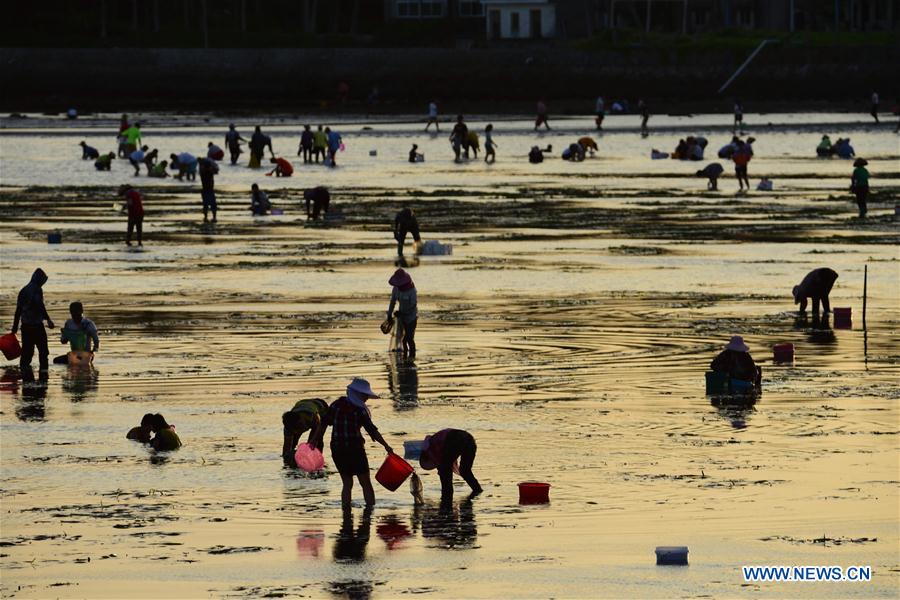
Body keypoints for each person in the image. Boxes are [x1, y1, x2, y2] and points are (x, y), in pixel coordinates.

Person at [311, 378, 394, 509]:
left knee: (347, 484)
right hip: (355, 450)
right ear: (358, 394)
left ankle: (346, 511)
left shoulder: (336, 405)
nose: (366, 398)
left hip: (338, 450)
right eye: (365, 395)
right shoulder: (359, 410)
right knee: (365, 483)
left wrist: (314, 440)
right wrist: (386, 445)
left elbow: (323, 424)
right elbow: (372, 430)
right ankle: (370, 511)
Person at [419, 429, 482, 501]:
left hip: (453, 438)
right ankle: (477, 490)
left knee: (445, 472)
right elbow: (443, 460)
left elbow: (442, 463)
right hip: (469, 438)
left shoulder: (430, 449)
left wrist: (442, 469)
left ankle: (447, 496)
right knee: (465, 470)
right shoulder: (433, 443)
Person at [12, 269, 54, 370]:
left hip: (26, 327)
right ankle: (43, 373)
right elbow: (40, 305)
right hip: (37, 327)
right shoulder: (37, 289)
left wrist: (15, 327)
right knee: (43, 352)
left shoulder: (23, 290)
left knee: (27, 353)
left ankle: (24, 373)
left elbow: (18, 310)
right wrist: (48, 319)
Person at [281, 398, 329, 466]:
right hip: (303, 404)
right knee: (293, 443)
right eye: (295, 430)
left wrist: (310, 445)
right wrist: (286, 461)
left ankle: (319, 460)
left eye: (300, 428)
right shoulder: (288, 428)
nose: (299, 431)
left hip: (321, 406)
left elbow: (317, 431)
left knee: (316, 441)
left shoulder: (311, 417)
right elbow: (286, 448)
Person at [387, 269, 417, 358]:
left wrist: (402, 313)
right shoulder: (396, 289)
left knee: (409, 338)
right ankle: (404, 358)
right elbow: (392, 302)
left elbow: (413, 305)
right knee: (402, 340)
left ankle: (412, 357)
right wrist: (389, 315)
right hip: (401, 318)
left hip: (411, 317)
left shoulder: (412, 290)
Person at [199, 157, 219, 221]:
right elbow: (216, 171)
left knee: (206, 204)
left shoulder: (203, 172)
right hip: (209, 190)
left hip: (205, 190)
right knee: (212, 204)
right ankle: (213, 217)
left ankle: (206, 217)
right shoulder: (208, 172)